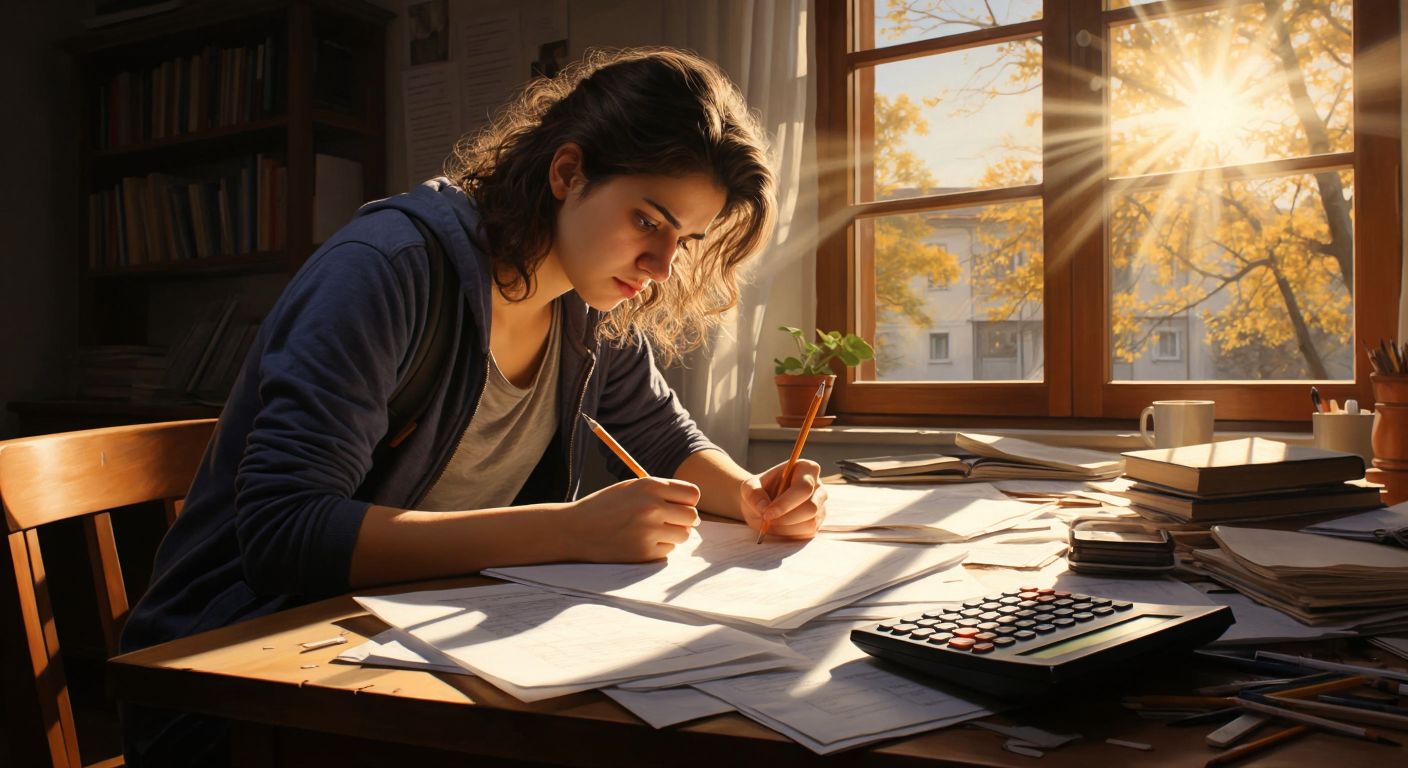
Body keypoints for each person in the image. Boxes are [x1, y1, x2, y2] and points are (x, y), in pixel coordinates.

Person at [119, 47, 828, 765]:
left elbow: (661, 432)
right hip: (240, 679)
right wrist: (565, 531)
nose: (661, 267)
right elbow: (285, 533)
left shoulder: (588, 306)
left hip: (407, 650)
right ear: (567, 172)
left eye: (687, 240)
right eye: (648, 220)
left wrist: (749, 496)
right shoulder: (387, 271)